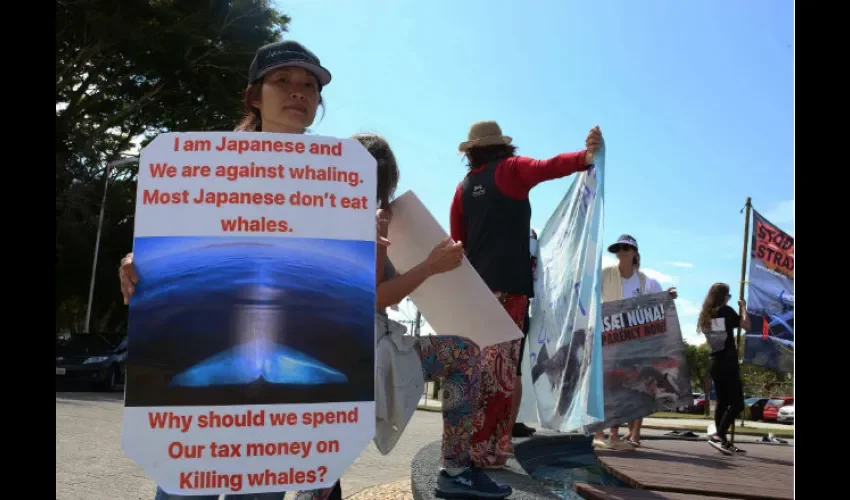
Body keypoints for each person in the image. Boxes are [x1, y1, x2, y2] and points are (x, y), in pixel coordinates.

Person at [119, 42, 509, 498]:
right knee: (190, 485)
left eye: (309, 85)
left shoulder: (333, 189)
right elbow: (174, 235)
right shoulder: (207, 169)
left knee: (260, 487)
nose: (297, 92)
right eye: (282, 80)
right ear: (253, 94)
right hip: (221, 377)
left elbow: (356, 295)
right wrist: (136, 262)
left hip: (301, 378)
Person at [449, 120, 602, 468]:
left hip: (474, 292)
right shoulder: (512, 170)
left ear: (471, 152)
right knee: (503, 374)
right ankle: (490, 450)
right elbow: (548, 167)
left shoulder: (463, 188)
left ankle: (474, 445)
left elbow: (458, 244)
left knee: (477, 371)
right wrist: (586, 156)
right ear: (503, 146)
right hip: (509, 291)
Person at [593, 235, 678, 450]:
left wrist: (668, 296)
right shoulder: (604, 275)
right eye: (619, 247)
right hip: (608, 337)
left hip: (633, 342)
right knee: (605, 386)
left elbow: (659, 301)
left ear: (634, 253)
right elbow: (589, 294)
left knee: (628, 387)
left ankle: (620, 434)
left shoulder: (645, 280)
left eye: (626, 247)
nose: (622, 250)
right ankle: (601, 433)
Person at [697, 282, 750, 455]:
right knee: (737, 403)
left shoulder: (707, 315)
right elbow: (746, 325)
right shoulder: (725, 311)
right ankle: (719, 435)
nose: (729, 298)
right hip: (727, 361)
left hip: (715, 362)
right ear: (723, 296)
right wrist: (743, 307)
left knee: (723, 402)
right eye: (729, 295)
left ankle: (723, 441)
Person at [512, 228, 539, 438]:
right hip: (506, 307)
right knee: (512, 371)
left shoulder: (529, 242)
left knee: (514, 371)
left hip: (520, 309)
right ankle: (508, 423)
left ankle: (509, 425)